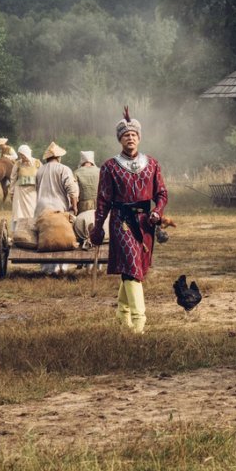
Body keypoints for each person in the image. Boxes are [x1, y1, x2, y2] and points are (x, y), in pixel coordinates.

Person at [90, 109, 168, 333]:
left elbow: (161, 194)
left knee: (135, 268)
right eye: (126, 135)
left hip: (145, 223)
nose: (130, 138)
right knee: (132, 267)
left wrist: (157, 212)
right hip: (121, 221)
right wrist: (98, 227)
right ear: (120, 139)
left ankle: (122, 315)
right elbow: (103, 200)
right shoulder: (109, 167)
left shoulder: (152, 164)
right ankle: (139, 322)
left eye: (133, 134)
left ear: (139, 138)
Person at [34, 142, 80, 275]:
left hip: (42, 206)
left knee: (45, 237)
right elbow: (72, 189)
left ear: (47, 158)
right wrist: (74, 206)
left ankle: (47, 268)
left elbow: (36, 188)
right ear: (59, 157)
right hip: (58, 206)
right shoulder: (64, 169)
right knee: (61, 236)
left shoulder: (40, 170)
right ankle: (61, 267)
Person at [72, 150, 99, 243]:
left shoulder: (76, 172)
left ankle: (85, 240)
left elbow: (74, 191)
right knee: (97, 221)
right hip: (98, 202)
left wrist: (74, 206)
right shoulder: (99, 171)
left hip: (83, 203)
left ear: (82, 159)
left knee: (84, 223)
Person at [11, 144, 39, 226]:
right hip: (20, 192)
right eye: (20, 155)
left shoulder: (37, 163)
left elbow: (42, 175)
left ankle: (32, 227)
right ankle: (18, 228)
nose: (22, 157)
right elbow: (13, 178)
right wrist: (12, 192)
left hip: (33, 192)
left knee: (32, 210)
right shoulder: (17, 164)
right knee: (19, 212)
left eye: (23, 155)